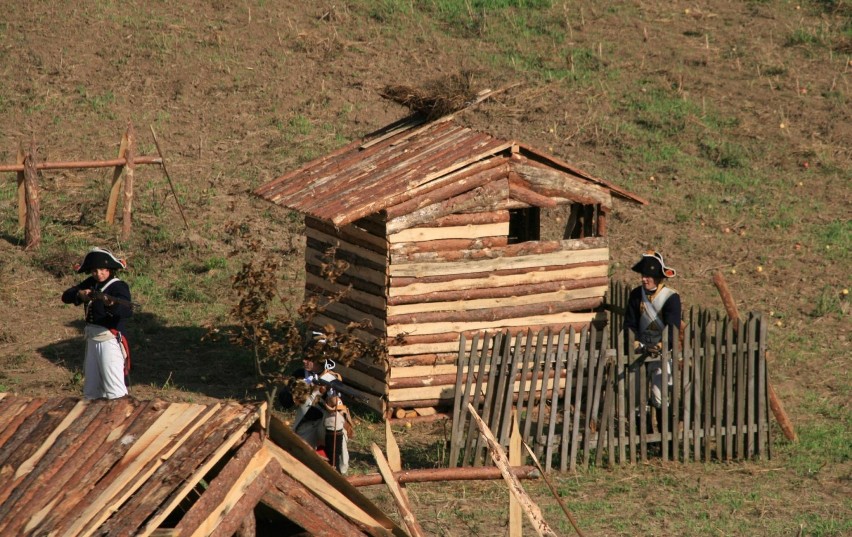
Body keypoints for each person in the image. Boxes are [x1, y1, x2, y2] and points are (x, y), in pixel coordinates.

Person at [61, 247, 132, 400]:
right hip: (92, 339)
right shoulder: (91, 283)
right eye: (94, 271)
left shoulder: (118, 286)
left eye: (102, 270)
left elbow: (126, 310)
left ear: (109, 269)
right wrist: (80, 294)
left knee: (115, 390)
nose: (98, 274)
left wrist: (110, 304)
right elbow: (66, 296)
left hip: (110, 340)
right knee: (91, 390)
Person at [623, 250, 682, 431]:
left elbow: (672, 328)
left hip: (662, 353)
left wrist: (660, 346)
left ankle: (666, 436)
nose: (644, 279)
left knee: (659, 395)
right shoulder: (635, 295)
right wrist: (634, 343)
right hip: (639, 351)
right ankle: (645, 436)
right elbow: (629, 324)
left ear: (658, 277)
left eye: (649, 276)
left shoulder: (671, 298)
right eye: (643, 275)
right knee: (637, 397)